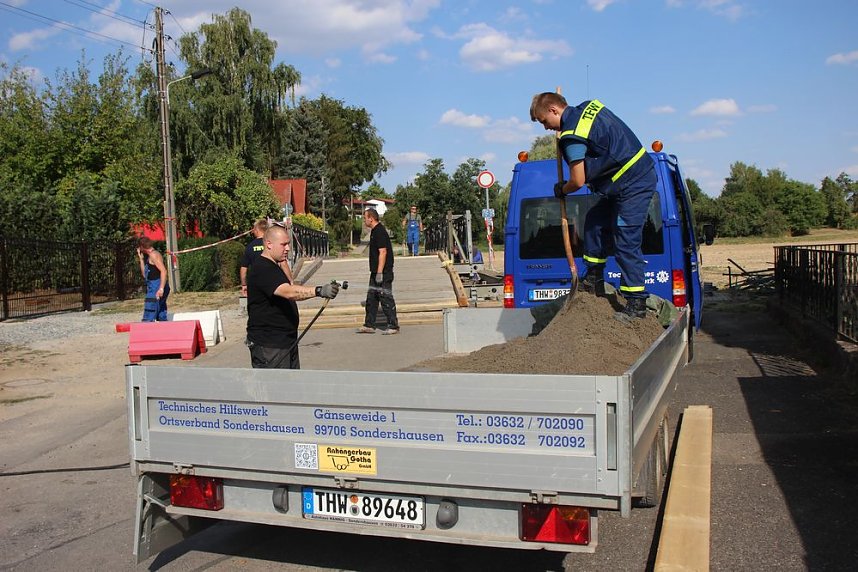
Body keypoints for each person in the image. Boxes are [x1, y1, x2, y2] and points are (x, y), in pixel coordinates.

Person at [530, 92, 657, 321]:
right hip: (620, 181)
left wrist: (562, 189)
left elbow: (577, 181)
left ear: (554, 111)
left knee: (625, 240)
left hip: (634, 182)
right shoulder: (589, 108)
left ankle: (636, 304)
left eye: (544, 122)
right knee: (594, 223)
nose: (547, 128)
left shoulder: (572, 136)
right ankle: (594, 278)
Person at [246, 225, 340, 369]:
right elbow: (288, 292)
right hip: (270, 345)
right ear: (269, 244)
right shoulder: (262, 268)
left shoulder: (273, 266)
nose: (288, 248)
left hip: (284, 341)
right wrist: (319, 291)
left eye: (288, 244)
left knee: (291, 387)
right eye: (283, 244)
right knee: (277, 388)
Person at [357, 208, 400, 335]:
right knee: (372, 298)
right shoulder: (374, 231)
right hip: (375, 271)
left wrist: (380, 273)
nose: (364, 220)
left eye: (365, 218)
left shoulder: (380, 231)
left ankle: (393, 325)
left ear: (371, 218)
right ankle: (369, 325)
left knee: (385, 296)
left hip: (383, 272)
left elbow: (383, 252)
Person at [136, 236, 170, 322]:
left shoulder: (154, 255)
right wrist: (141, 259)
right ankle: (163, 331)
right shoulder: (149, 256)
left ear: (142, 247)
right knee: (160, 311)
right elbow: (145, 275)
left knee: (150, 310)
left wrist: (161, 289)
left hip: (157, 286)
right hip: (153, 285)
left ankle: (146, 331)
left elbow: (164, 271)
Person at [240, 219, 268, 297]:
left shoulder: (250, 247)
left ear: (257, 230)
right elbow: (282, 262)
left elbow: (243, 268)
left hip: (256, 282)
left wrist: (244, 284)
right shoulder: (271, 244)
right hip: (271, 280)